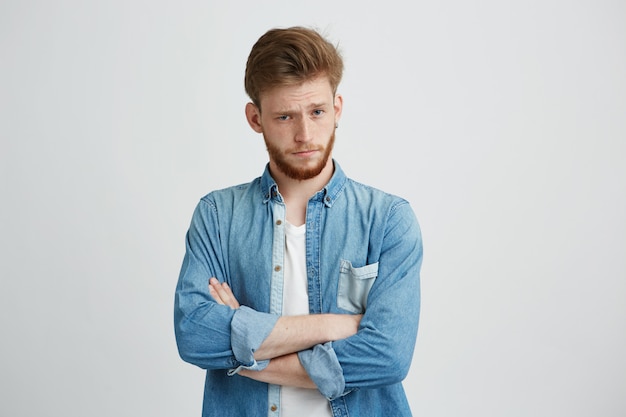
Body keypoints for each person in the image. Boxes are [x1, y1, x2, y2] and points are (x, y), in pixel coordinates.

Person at [174, 26, 423, 417]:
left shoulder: (388, 219)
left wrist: (246, 356)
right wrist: (336, 326)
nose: (305, 134)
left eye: (318, 112)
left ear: (337, 109)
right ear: (255, 118)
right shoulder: (218, 216)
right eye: (285, 116)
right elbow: (195, 336)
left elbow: (388, 356)